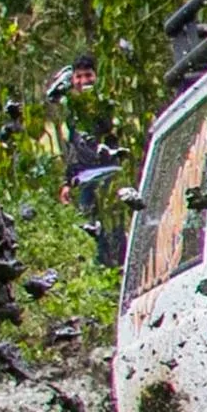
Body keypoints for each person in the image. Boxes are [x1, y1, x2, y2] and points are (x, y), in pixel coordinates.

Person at [52, 53, 126, 266]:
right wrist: (67, 182)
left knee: (115, 226)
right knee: (92, 229)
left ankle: (120, 268)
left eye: (88, 75)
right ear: (73, 79)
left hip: (110, 173)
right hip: (85, 178)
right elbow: (74, 147)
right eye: (79, 77)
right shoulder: (72, 111)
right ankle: (103, 270)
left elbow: (116, 136)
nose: (84, 81)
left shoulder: (106, 104)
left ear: (96, 76)